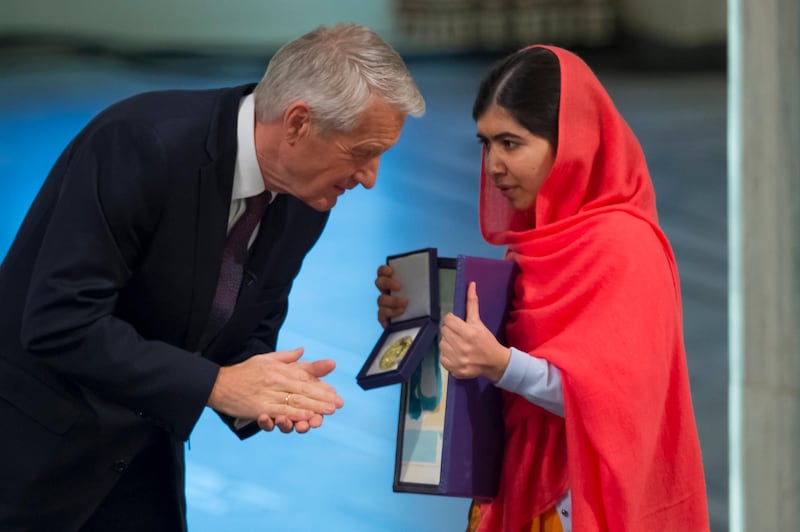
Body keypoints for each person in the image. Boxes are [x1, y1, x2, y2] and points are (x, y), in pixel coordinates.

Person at [0, 23, 425, 532]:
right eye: (361, 152)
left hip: (142, 456)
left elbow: (244, 329)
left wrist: (270, 388)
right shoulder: (142, 144)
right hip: (31, 454)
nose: (371, 176)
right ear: (297, 124)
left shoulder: (307, 195)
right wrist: (219, 385)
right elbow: (59, 322)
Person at [376, 45, 709, 531]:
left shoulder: (626, 245)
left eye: (511, 143)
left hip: (585, 503)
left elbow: (618, 401)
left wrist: (500, 364)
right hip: (523, 492)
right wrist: (416, 318)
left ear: (571, 142)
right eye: (485, 144)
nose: (492, 165)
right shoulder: (533, 248)